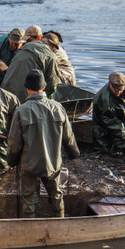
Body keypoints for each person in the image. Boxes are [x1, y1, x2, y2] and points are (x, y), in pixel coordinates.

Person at [7, 69, 80, 218]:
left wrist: (12, 161)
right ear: (44, 88)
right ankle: (60, 222)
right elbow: (69, 138)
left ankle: (30, 229)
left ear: (27, 89)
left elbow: (14, 143)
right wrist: (74, 155)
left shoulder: (21, 111)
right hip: (53, 164)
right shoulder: (58, 108)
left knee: (29, 200)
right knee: (56, 195)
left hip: (29, 165)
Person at [1, 32, 60, 102]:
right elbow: (52, 85)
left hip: (4, 93)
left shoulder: (25, 47)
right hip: (24, 98)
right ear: (53, 47)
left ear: (42, 39)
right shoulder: (51, 56)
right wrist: (48, 102)